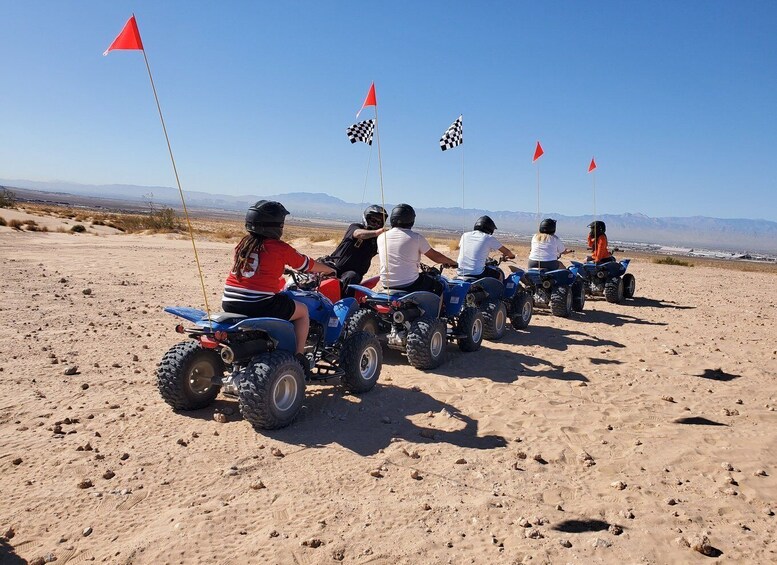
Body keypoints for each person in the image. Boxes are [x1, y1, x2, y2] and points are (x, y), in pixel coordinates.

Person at [222, 200, 336, 367]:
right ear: (276, 225)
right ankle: (298, 357)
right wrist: (327, 270)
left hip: (229, 301)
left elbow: (256, 268)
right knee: (303, 311)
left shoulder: (243, 243)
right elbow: (306, 264)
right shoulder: (279, 247)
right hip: (258, 302)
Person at [377, 203, 458, 295]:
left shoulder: (381, 237)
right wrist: (452, 262)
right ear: (411, 220)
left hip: (386, 284)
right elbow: (435, 257)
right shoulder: (416, 238)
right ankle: (440, 309)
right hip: (409, 284)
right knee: (440, 285)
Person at [319, 205, 387, 296]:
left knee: (351, 277)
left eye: (379, 222)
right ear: (366, 218)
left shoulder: (378, 239)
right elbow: (357, 234)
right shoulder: (355, 227)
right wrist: (376, 232)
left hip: (351, 273)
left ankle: (346, 304)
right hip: (333, 266)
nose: (376, 224)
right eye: (373, 220)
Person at [456, 215, 515, 281]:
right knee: (499, 275)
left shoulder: (465, 235)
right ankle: (499, 291)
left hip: (460, 272)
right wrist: (512, 256)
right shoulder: (488, 238)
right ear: (490, 228)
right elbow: (507, 252)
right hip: (477, 273)